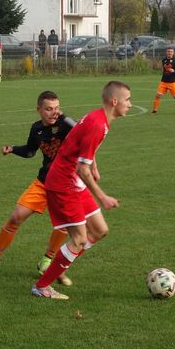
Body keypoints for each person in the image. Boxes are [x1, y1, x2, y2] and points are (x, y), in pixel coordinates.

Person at [32, 81, 131, 299]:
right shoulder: (97, 124)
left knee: (100, 230)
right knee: (78, 238)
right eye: (127, 100)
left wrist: (94, 165)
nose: (130, 105)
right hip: (63, 184)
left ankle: (62, 263)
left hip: (72, 181)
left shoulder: (99, 119)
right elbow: (81, 169)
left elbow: (81, 145)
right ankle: (42, 286)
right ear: (114, 101)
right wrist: (102, 196)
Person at [0, 91, 76, 286]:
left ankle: (47, 260)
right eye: (48, 109)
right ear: (39, 110)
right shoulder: (36, 128)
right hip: (43, 182)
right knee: (16, 216)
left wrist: (63, 117)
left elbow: (81, 129)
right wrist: (12, 148)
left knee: (64, 224)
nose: (53, 113)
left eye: (56, 108)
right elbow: (30, 151)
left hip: (65, 185)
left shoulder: (64, 125)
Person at [152, 46, 175, 116]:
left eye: (171, 52)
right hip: (164, 82)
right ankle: (154, 111)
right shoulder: (164, 60)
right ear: (166, 52)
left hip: (173, 82)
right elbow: (165, 70)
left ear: (173, 52)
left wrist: (174, 71)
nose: (169, 53)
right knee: (158, 95)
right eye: (168, 51)